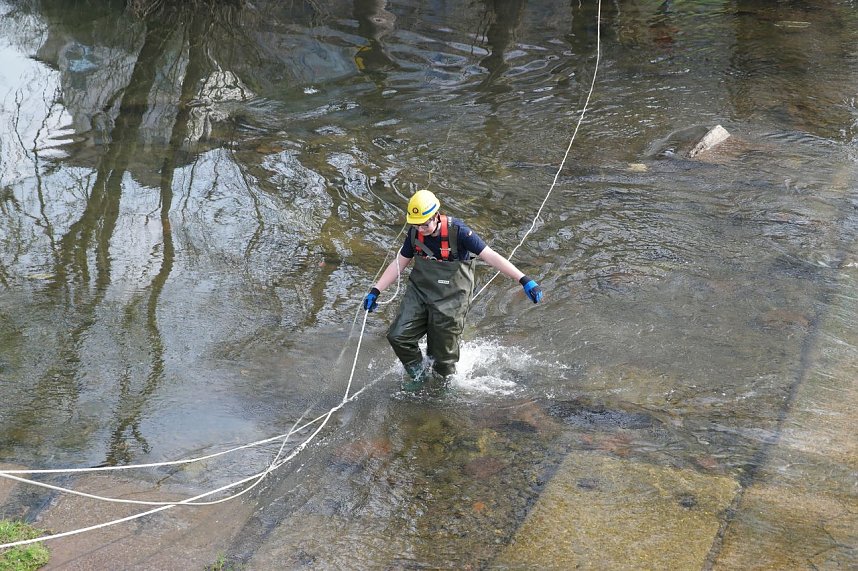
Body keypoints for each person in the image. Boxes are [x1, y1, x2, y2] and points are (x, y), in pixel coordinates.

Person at [363, 189, 543, 389]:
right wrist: (376, 290)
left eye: (425, 224)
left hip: (452, 297)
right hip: (420, 292)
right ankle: (418, 374)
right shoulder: (414, 233)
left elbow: (491, 256)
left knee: (442, 358)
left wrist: (524, 280)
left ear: (436, 216)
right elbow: (400, 262)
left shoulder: (460, 232)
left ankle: (444, 390)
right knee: (398, 336)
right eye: (416, 224)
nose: (420, 229)